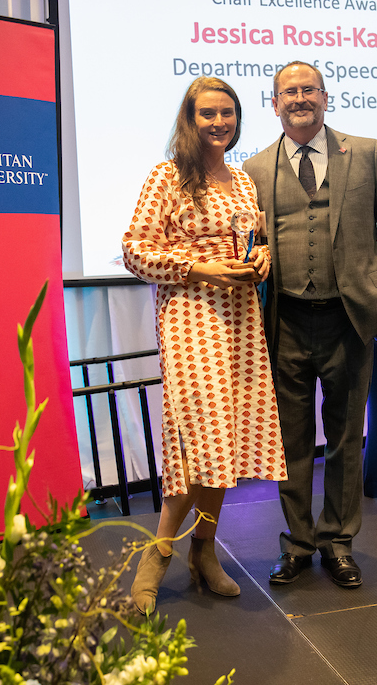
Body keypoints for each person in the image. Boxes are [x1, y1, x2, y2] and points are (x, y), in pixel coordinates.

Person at [243, 61, 377, 589]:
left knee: (345, 438)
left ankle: (338, 543)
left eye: (309, 89)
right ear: (274, 103)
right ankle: (297, 544)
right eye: (288, 92)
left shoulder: (363, 152)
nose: (299, 98)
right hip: (285, 323)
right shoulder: (252, 168)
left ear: (324, 97)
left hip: (348, 321)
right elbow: (250, 248)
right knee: (291, 443)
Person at [121, 76, 287, 613]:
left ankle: (204, 551)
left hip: (240, 316)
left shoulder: (242, 182)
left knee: (227, 439)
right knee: (198, 440)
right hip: (190, 314)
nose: (219, 123)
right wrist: (199, 267)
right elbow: (134, 251)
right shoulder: (168, 176)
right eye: (207, 114)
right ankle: (158, 556)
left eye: (228, 114)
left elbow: (253, 243)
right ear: (189, 120)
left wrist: (260, 259)